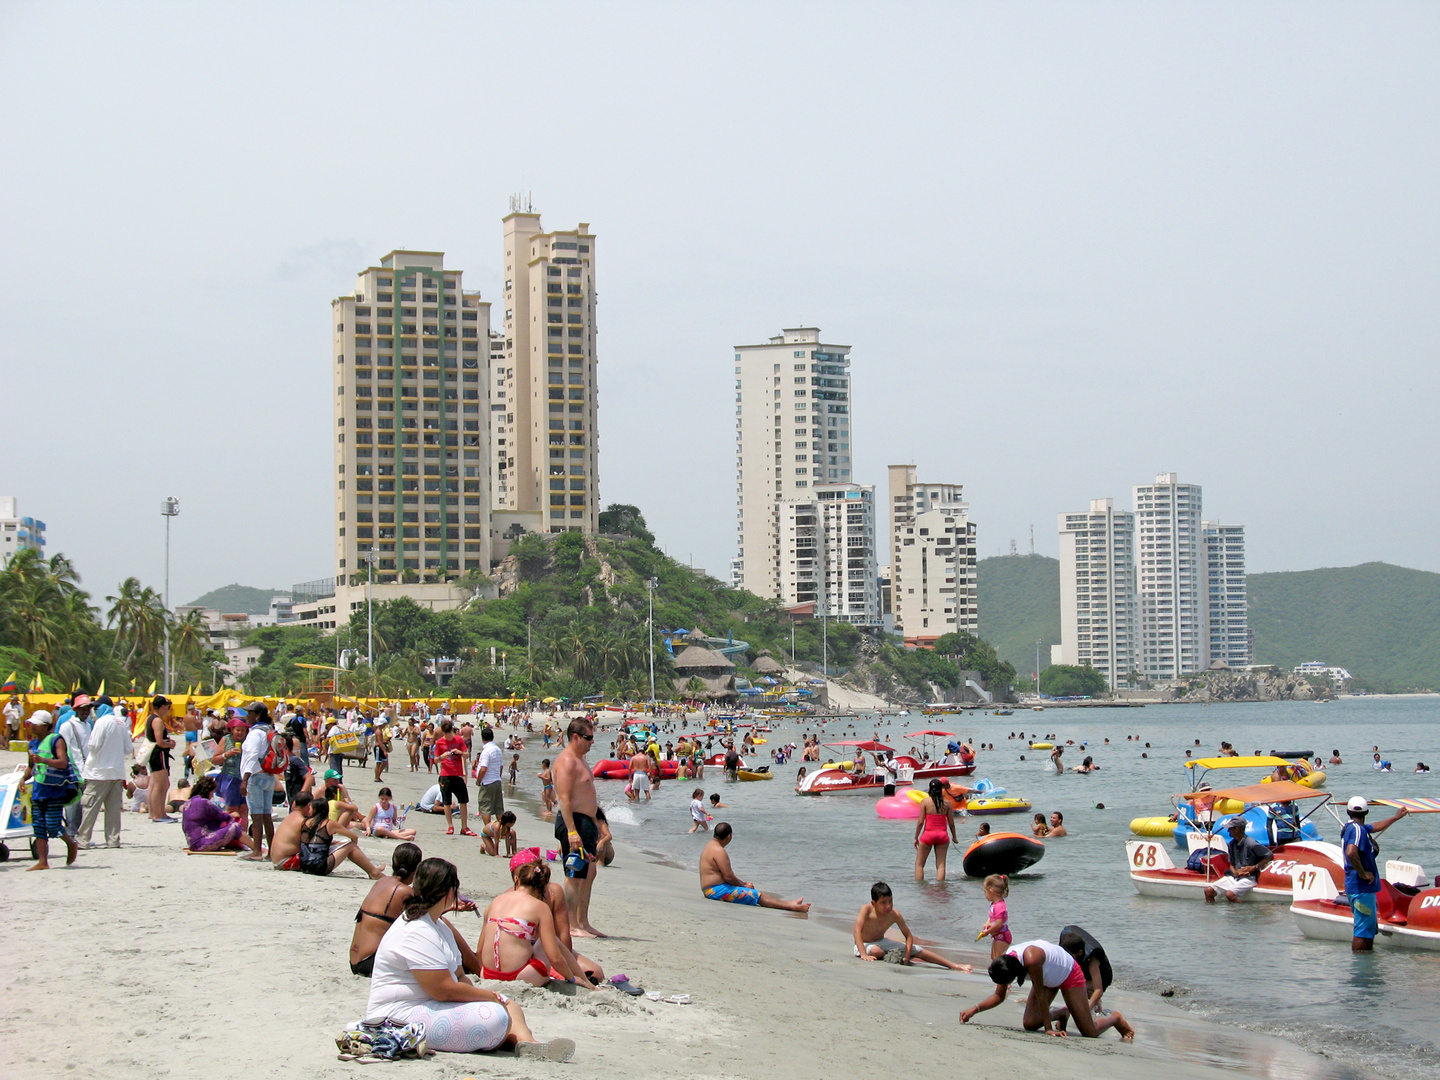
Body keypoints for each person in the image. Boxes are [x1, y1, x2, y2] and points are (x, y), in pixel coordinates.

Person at [364, 858, 574, 1059]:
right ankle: (509, 1038)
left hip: (425, 1004)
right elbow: (443, 989)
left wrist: (485, 995)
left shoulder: (438, 925)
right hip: (396, 1014)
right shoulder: (417, 930)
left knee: (510, 1006)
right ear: (449, 892)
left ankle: (527, 1043)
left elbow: (460, 976)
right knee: (494, 1016)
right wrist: (487, 997)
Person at [961, 939, 1134, 1040]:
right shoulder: (1005, 963)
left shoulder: (1031, 959)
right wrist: (974, 1010)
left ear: (1014, 973)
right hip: (1048, 977)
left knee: (1090, 1032)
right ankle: (1062, 1012)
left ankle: (1116, 1019)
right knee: (1029, 1024)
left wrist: (1048, 1028)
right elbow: (999, 996)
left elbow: (1040, 994)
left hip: (1068, 973)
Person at [478, 860, 594, 987]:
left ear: (517, 880)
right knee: (551, 941)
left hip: (487, 974)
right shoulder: (540, 907)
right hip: (518, 977)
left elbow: (480, 950)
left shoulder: (496, 901)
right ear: (543, 888)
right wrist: (571, 978)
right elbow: (555, 957)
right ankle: (585, 982)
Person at [553, 717, 606, 937]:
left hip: (586, 823)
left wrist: (597, 823)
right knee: (574, 873)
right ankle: (571, 925)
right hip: (573, 823)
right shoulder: (567, 761)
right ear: (576, 736)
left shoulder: (580, 759)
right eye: (589, 737)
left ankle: (583, 922)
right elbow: (564, 799)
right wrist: (572, 831)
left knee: (589, 872)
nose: (592, 742)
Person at [1342, 795, 1409, 952]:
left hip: (1358, 886)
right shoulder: (1357, 830)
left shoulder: (1354, 827)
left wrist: (1395, 818)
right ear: (1367, 812)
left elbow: (1375, 826)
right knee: (1363, 929)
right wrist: (1364, 874)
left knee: (1367, 928)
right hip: (1360, 886)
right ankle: (1362, 969)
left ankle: (1366, 964)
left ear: (1347, 812)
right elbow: (1351, 852)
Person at [853, 882, 972, 970]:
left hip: (882, 941)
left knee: (919, 950)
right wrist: (863, 954)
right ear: (874, 903)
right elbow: (857, 932)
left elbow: (908, 936)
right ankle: (885, 954)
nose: (888, 906)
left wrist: (907, 955)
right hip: (864, 944)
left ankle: (953, 965)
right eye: (883, 903)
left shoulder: (895, 914)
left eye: (890, 901)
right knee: (877, 952)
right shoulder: (866, 909)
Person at [351, 842, 425, 976]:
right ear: (417, 868)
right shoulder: (404, 891)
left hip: (356, 961)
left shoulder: (382, 882)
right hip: (371, 963)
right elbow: (429, 917)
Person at [699, 822, 810, 912]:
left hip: (713, 889)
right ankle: (791, 906)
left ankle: (789, 903)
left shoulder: (710, 846)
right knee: (755, 895)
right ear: (729, 836)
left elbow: (728, 877)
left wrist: (744, 884)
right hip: (715, 891)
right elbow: (729, 877)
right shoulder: (719, 851)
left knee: (751, 891)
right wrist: (744, 886)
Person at [25, 711, 79, 870]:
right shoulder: (32, 744)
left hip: (55, 790)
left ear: (47, 726)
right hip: (38, 790)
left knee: (53, 824)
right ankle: (43, 862)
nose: (33, 726)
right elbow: (30, 766)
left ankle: (71, 843)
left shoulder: (56, 740)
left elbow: (63, 762)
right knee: (39, 826)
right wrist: (22, 779)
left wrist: (43, 760)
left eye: (37, 724)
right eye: (32, 723)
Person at [77, 697, 129, 848]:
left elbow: (93, 746)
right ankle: (113, 840)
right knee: (113, 810)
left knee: (90, 807)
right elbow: (127, 749)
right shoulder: (120, 722)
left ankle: (83, 839)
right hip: (117, 772)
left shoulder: (101, 722)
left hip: (98, 773)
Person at [297, 798, 384, 878]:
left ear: (315, 810)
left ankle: (373, 870)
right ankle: (373, 872)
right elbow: (354, 836)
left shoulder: (304, 822)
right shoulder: (329, 823)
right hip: (319, 867)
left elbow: (312, 842)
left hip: (304, 865)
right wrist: (351, 852)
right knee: (351, 845)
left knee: (339, 845)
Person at [240, 702, 281, 860]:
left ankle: (257, 851)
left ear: (257, 715)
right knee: (266, 815)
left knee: (256, 815)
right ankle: (271, 850)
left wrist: (245, 780)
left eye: (250, 713)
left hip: (256, 776)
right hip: (268, 776)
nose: (247, 716)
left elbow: (252, 755)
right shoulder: (269, 730)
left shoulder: (255, 733)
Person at [1053, 925, 1113, 1028]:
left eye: (1070, 957)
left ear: (1080, 953)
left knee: (1079, 989)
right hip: (1083, 971)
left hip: (1102, 978)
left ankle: (1095, 1006)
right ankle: (1094, 1005)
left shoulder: (1092, 960)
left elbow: (1098, 990)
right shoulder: (1067, 942)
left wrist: (1084, 1013)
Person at [1204, 817, 1272, 903]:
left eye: (1230, 829)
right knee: (1208, 891)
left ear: (1237, 829)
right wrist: (1235, 872)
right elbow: (1231, 863)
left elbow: (1269, 855)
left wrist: (1254, 868)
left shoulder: (1251, 843)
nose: (1228, 831)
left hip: (1249, 878)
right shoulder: (1231, 844)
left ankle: (1242, 912)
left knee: (1230, 894)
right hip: (1234, 877)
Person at [56, 696, 94, 834]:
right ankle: (72, 833)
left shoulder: (88, 725)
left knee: (84, 805)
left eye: (88, 708)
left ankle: (79, 833)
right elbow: (62, 748)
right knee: (74, 804)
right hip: (73, 770)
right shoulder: (67, 726)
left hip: (86, 769)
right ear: (76, 709)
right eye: (83, 709)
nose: (86, 711)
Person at [433, 719, 476, 837]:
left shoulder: (459, 739)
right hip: (445, 775)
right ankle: (450, 826)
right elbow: (435, 759)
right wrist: (442, 756)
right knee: (446, 802)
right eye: (445, 733)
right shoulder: (440, 742)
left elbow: (467, 755)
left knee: (463, 801)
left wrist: (460, 752)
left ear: (452, 730)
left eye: (449, 733)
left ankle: (464, 827)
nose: (447, 736)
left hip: (457, 774)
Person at [181, 776, 246, 851]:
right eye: (212, 792)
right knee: (235, 827)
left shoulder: (189, 802)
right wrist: (232, 815)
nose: (212, 796)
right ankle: (256, 848)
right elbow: (222, 816)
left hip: (192, 843)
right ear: (208, 791)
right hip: (202, 843)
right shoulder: (205, 802)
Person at [914, 778, 957, 881]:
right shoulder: (947, 804)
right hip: (942, 836)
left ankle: (919, 890)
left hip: (928, 835)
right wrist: (954, 837)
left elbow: (920, 822)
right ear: (941, 789)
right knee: (941, 865)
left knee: (919, 865)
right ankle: (941, 889)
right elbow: (951, 823)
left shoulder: (925, 802)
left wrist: (916, 837)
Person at [144, 695, 178, 822]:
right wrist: (170, 744)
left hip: (154, 753)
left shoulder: (150, 718)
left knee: (154, 783)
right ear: (163, 706)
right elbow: (159, 741)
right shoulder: (157, 720)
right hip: (159, 754)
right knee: (161, 784)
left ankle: (154, 812)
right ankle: (159, 814)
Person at [474, 725, 505, 826]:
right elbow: (501, 767)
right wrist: (498, 776)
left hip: (488, 782)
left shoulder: (486, 751)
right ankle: (502, 831)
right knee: (498, 808)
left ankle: (488, 831)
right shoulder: (498, 750)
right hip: (497, 780)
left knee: (485, 807)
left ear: (483, 738)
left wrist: (479, 780)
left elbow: (483, 768)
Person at [978, 874, 1011, 959]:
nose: (985, 894)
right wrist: (987, 923)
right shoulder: (994, 904)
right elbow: (992, 917)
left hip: (1003, 936)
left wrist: (988, 931)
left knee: (998, 959)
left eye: (985, 892)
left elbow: (998, 924)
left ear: (991, 891)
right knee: (994, 957)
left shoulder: (999, 906)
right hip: (997, 936)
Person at [285, 734, 314, 805]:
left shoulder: (294, 760)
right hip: (292, 799)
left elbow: (309, 778)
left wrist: (300, 798)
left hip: (299, 802)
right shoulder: (287, 761)